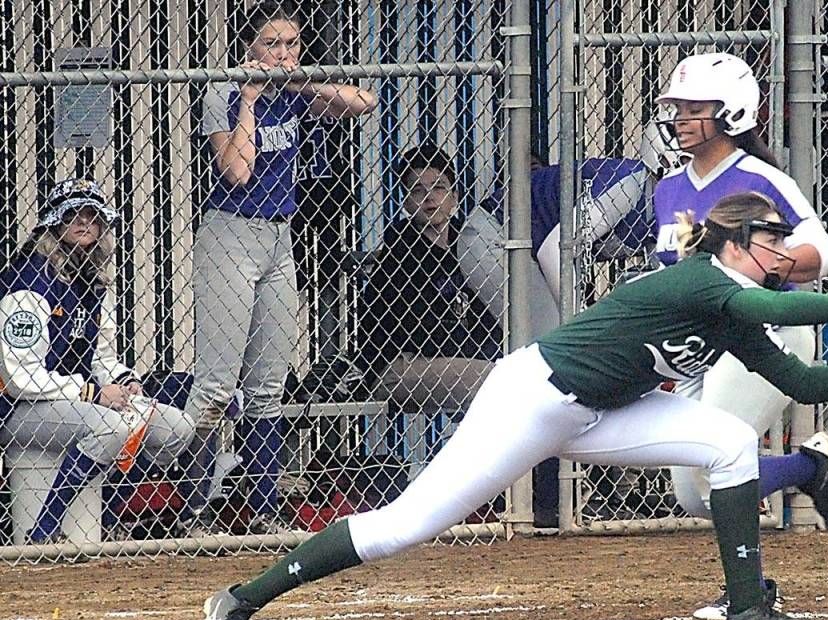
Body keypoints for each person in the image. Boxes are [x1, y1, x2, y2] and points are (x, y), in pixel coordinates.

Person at [198, 192, 828, 620]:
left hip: (603, 410)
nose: (783, 251)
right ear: (734, 243)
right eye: (771, 240)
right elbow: (777, 307)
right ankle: (239, 600)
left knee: (728, 442)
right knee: (403, 526)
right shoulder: (704, 281)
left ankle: (748, 611)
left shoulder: (734, 311)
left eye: (783, 241)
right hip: (533, 398)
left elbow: (809, 379)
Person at [650, 51, 828, 620]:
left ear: (731, 112)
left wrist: (761, 271)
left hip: (765, 331)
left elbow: (821, 253)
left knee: (715, 474)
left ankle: (750, 592)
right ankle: (806, 468)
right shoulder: (668, 188)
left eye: (695, 108)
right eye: (678, 108)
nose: (682, 118)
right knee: (691, 492)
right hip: (700, 343)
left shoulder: (760, 179)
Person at [181, 0, 376, 535]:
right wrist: (250, 98)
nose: (282, 53)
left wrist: (301, 83)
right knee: (218, 386)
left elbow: (365, 101)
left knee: (268, 383)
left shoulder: (296, 88)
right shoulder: (224, 89)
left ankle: (265, 508)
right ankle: (192, 508)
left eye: (291, 43)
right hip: (231, 232)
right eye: (271, 43)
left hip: (279, 237)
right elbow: (237, 170)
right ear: (249, 46)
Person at [0, 179, 195, 544]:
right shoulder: (31, 281)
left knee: (176, 428)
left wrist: (124, 381)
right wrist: (91, 392)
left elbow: (101, 355)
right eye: (73, 214)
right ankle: (43, 531)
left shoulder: (93, 282)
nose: (84, 222)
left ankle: (105, 513)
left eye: (92, 216)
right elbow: (19, 378)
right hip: (14, 408)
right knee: (109, 427)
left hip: (73, 400)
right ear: (55, 223)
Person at [456, 123, 688, 335]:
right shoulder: (626, 183)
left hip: (536, 247)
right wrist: (584, 321)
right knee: (553, 337)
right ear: (665, 161)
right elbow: (554, 250)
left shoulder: (674, 208)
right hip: (497, 234)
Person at [359, 145, 502, 414]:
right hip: (401, 365)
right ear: (405, 203)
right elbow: (418, 331)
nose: (428, 198)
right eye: (417, 190)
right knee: (497, 382)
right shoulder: (399, 251)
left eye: (438, 187)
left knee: (501, 377)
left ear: (454, 197)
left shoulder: (470, 243)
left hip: (464, 359)